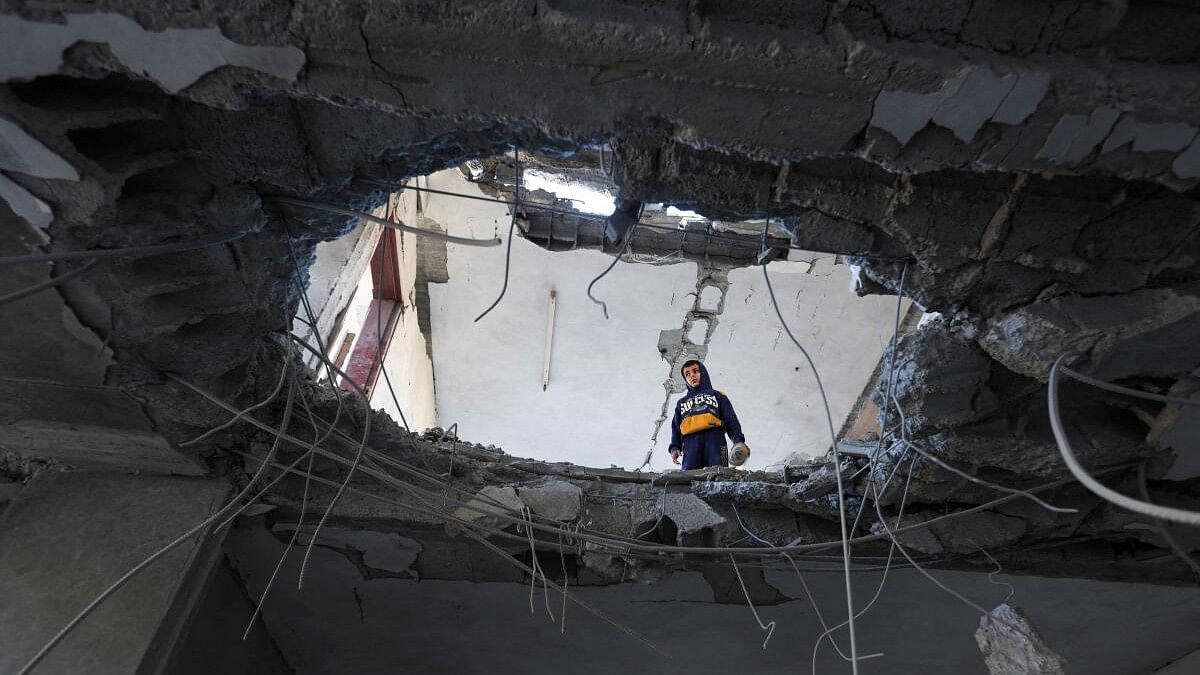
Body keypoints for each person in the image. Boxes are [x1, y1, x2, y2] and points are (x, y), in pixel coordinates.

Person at [668, 359, 747, 470]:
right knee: (689, 476)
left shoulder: (718, 396)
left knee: (718, 474)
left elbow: (731, 421)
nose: (692, 376)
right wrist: (675, 447)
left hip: (716, 440)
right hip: (690, 444)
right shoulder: (681, 403)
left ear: (703, 372)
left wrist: (738, 441)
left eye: (695, 371)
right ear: (685, 379)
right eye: (687, 374)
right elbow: (676, 428)